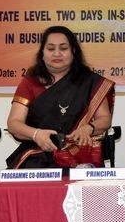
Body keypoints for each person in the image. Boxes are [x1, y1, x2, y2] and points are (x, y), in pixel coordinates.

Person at [7, 26, 114, 169]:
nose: (57, 54)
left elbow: (105, 119)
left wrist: (89, 128)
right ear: (42, 53)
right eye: (51, 49)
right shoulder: (30, 82)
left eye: (63, 48)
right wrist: (36, 134)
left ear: (73, 51)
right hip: (39, 153)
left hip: (79, 153)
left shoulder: (89, 82)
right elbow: (14, 123)